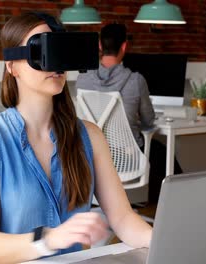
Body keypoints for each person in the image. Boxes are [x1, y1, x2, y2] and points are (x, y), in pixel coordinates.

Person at [0, 13, 152, 263]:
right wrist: (49, 239)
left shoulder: (90, 137)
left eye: (59, 50)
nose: (54, 64)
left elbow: (123, 219)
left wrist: (166, 240)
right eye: (41, 50)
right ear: (11, 66)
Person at [76, 23, 182, 203]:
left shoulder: (83, 79)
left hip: (91, 157)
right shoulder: (136, 81)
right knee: (161, 152)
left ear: (100, 46)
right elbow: (149, 122)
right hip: (126, 159)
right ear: (124, 46)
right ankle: (171, 205)